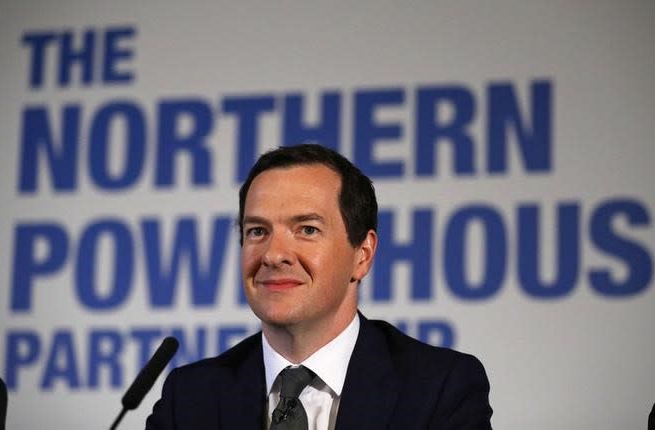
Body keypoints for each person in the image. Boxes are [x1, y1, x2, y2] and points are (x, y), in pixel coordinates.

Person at [146, 144, 493, 429]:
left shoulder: (439, 390)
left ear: (363, 254)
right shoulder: (190, 399)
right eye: (257, 231)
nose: (273, 254)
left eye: (307, 229)